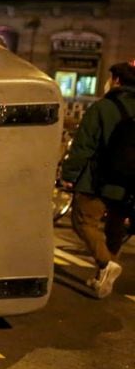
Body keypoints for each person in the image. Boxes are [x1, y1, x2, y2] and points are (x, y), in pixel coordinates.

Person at [60, 61, 135, 298]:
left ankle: (105, 264)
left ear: (117, 81)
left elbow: (84, 145)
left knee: (83, 220)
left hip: (98, 179)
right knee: (115, 226)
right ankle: (103, 279)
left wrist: (70, 175)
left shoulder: (103, 107)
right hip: (129, 184)